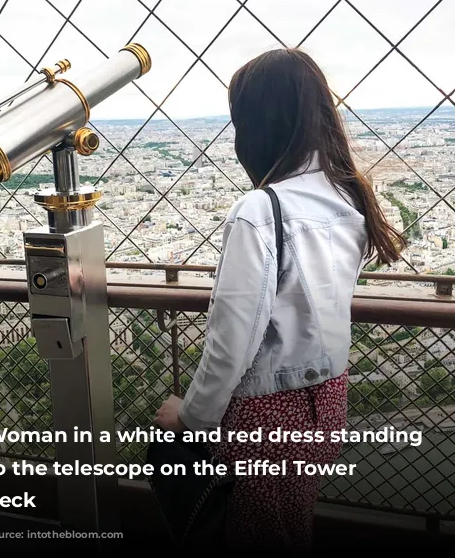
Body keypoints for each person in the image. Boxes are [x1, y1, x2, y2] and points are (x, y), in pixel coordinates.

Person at [154, 48, 406, 552]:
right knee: (286, 527)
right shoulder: (346, 196)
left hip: (270, 409)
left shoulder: (261, 210)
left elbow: (233, 339)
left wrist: (191, 417)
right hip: (327, 399)